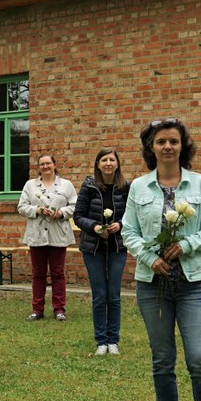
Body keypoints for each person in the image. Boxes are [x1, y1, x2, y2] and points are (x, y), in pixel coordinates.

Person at [122, 118, 201, 401]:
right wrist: (150, 258)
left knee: (199, 359)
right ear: (151, 147)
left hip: (191, 282)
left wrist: (188, 244)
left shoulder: (200, 183)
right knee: (163, 361)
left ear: (183, 146)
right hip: (153, 286)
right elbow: (128, 232)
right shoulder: (138, 187)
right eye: (161, 141)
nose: (168, 147)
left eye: (174, 142)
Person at [73, 148, 130, 355]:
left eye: (112, 159)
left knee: (114, 294)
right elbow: (78, 215)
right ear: (98, 164)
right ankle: (101, 341)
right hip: (93, 248)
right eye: (104, 160)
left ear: (117, 163)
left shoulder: (125, 187)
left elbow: (133, 215)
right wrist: (96, 227)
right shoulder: (89, 186)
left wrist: (120, 224)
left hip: (117, 246)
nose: (108, 163)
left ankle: (113, 340)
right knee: (99, 295)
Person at [17, 154, 78, 321]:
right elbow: (21, 207)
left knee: (58, 273)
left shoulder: (66, 185)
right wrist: (37, 210)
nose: (45, 166)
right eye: (42, 164)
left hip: (58, 233)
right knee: (38, 273)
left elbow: (74, 206)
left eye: (48, 163)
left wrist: (61, 213)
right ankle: (37, 309)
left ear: (54, 164)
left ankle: (59, 309)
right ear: (38, 167)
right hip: (36, 234)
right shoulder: (30, 185)